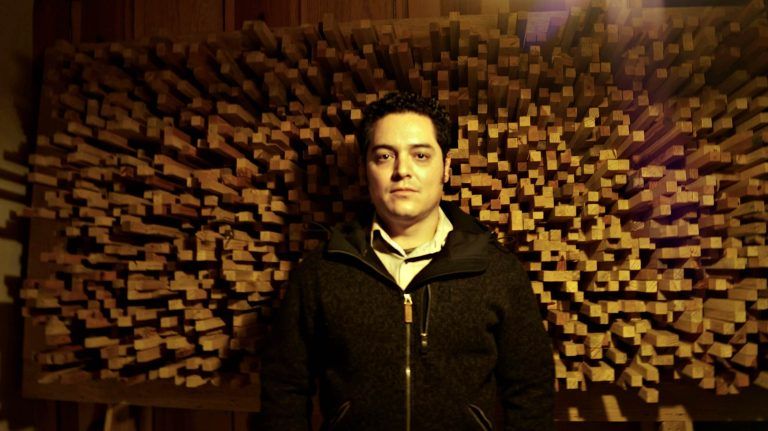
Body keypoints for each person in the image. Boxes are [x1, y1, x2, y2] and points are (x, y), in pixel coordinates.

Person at [257, 92, 554, 431]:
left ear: (446, 168)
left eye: (420, 155)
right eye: (384, 156)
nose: (402, 171)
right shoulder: (320, 273)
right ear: (365, 170)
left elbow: (531, 389)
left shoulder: (496, 271)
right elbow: (284, 387)